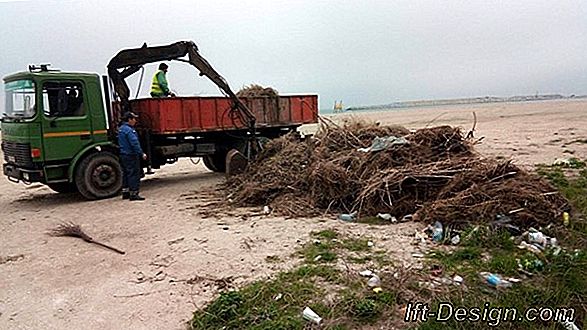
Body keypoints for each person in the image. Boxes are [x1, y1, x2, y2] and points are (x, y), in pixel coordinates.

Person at [118, 112, 147, 201]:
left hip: (123, 154)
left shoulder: (121, 129)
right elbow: (134, 143)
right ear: (129, 120)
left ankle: (125, 193)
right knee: (133, 174)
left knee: (126, 173)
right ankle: (134, 193)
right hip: (131, 155)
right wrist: (141, 153)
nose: (135, 121)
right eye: (134, 119)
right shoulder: (129, 130)